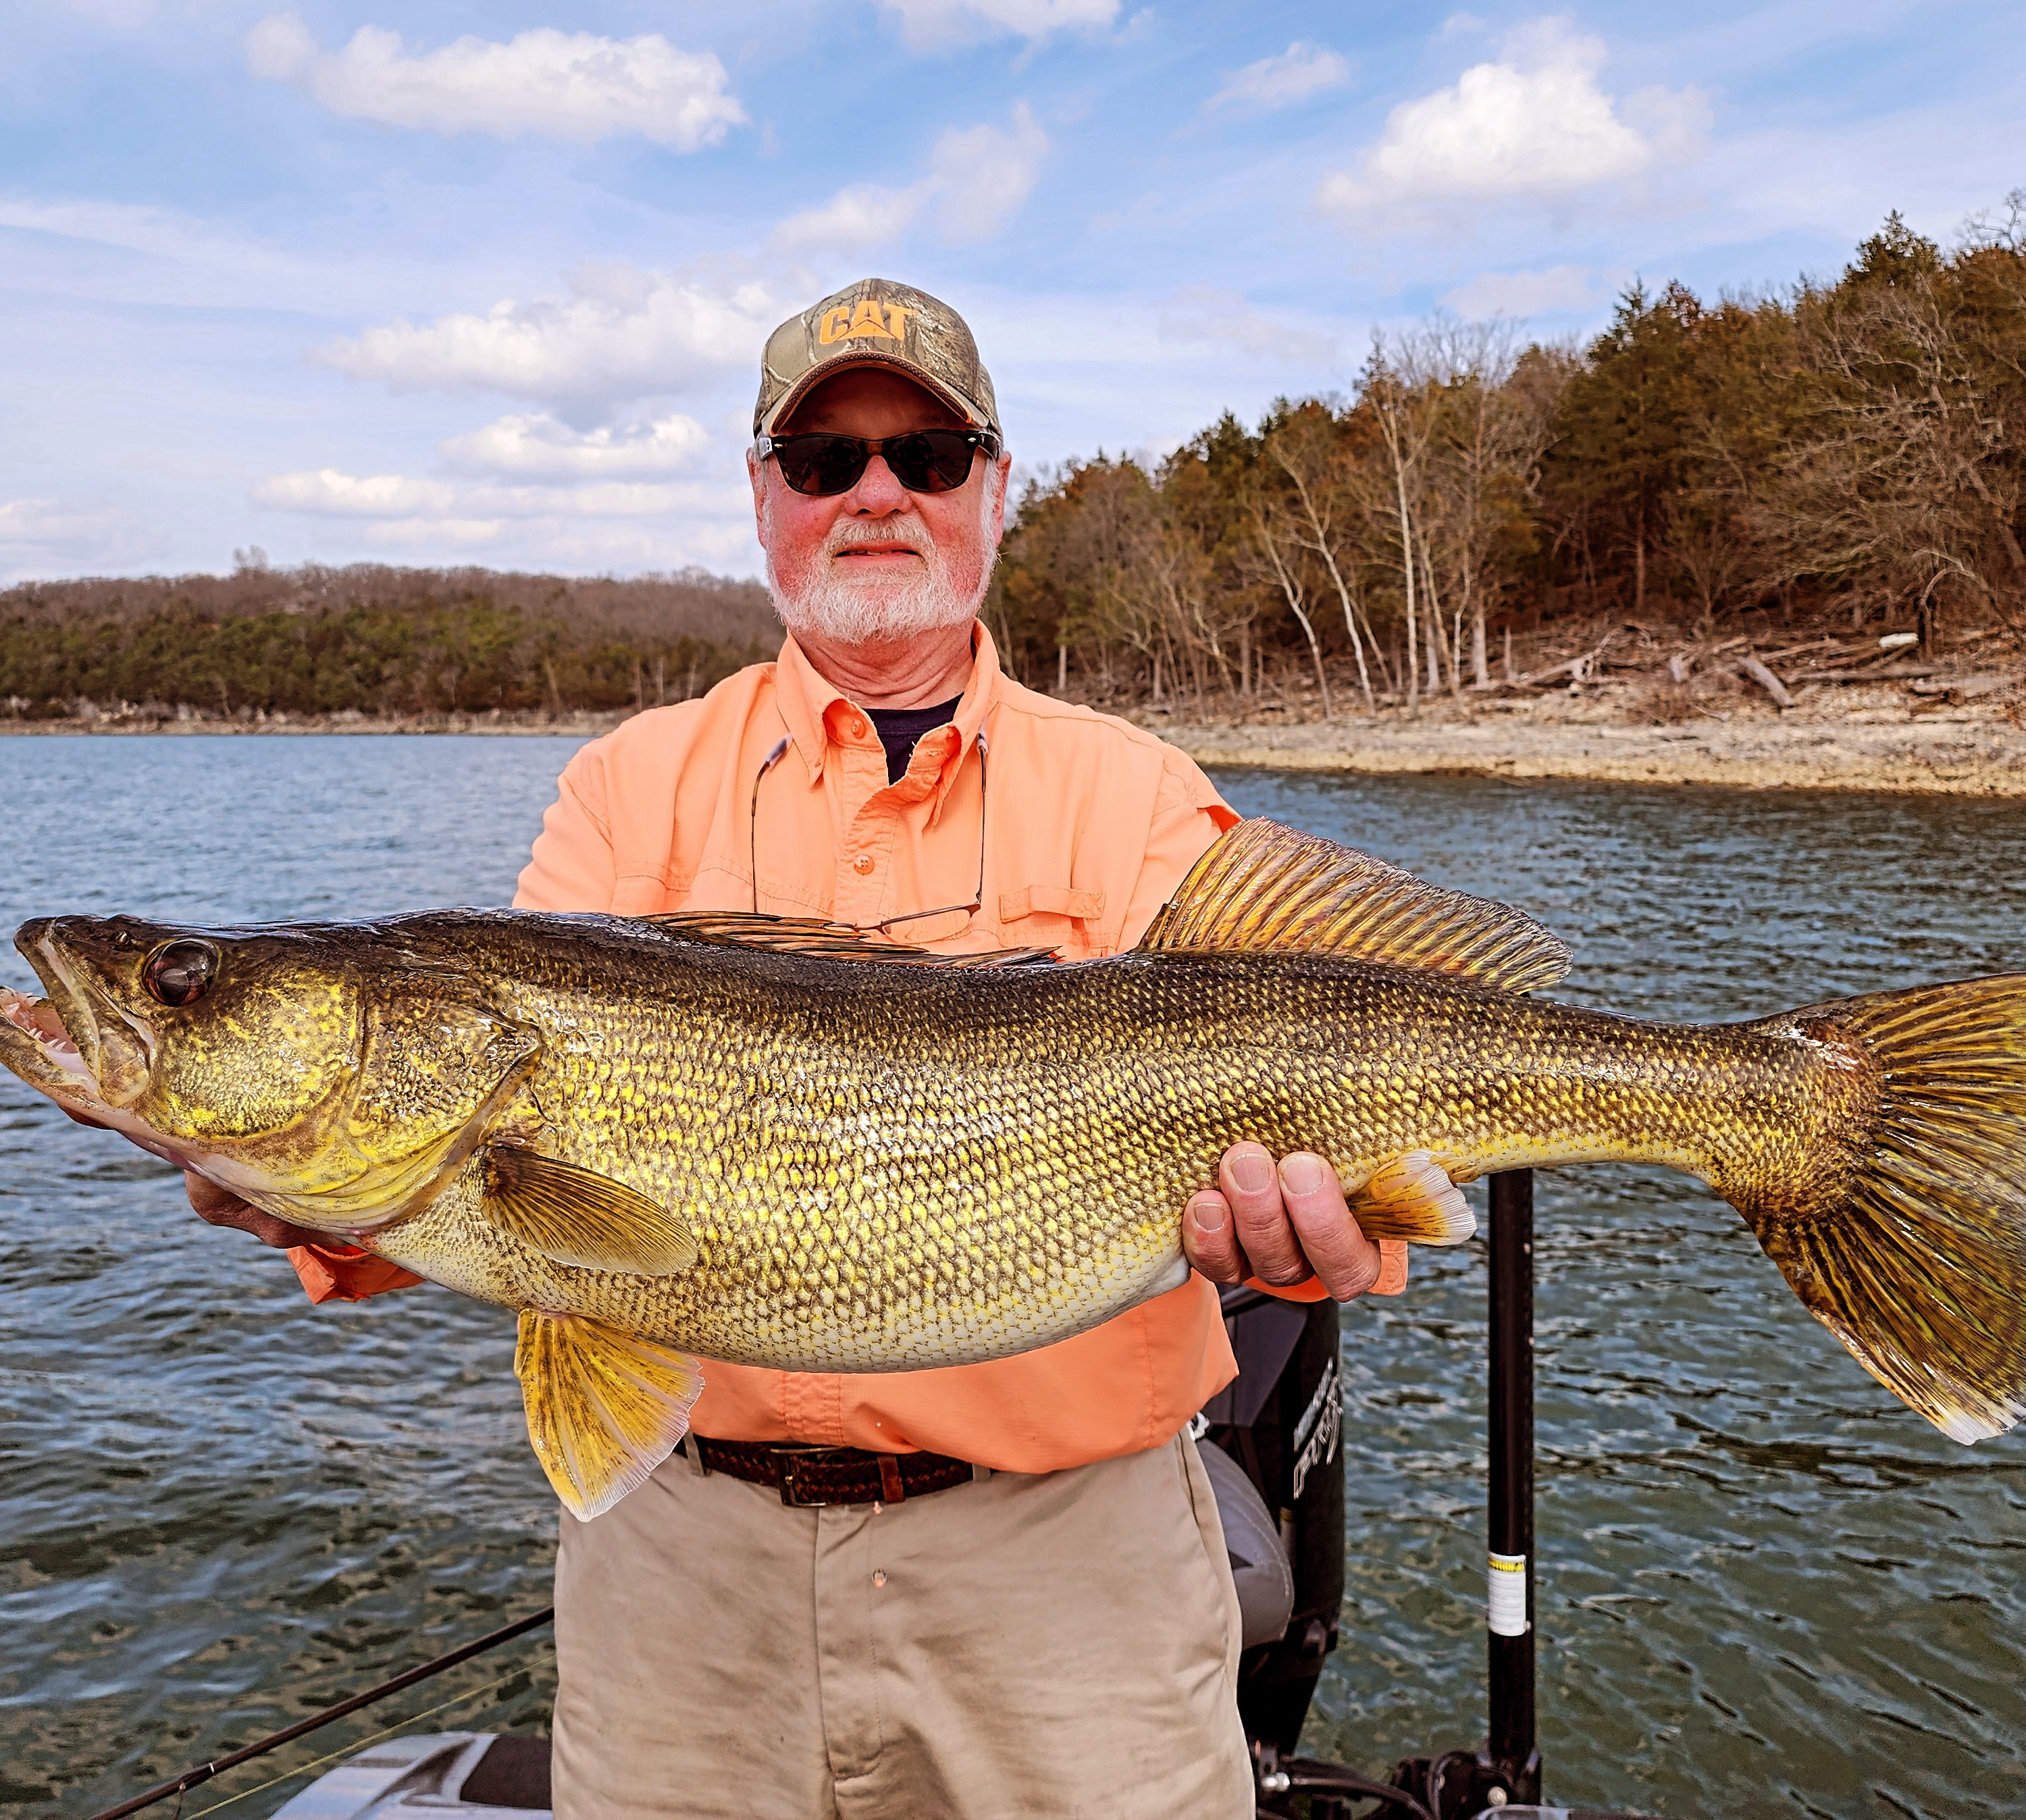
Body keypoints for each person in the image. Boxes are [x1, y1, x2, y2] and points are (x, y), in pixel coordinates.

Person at [186, 278, 1438, 1820]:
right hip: (682, 1586)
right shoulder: (625, 791)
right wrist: (307, 1200)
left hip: (1069, 1584)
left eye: (928, 455)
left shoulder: (1139, 796)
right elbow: (481, 1210)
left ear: (995, 490)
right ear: (764, 494)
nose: (877, 495)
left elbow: (1330, 1167)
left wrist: (1313, 1248)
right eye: (823, 458)